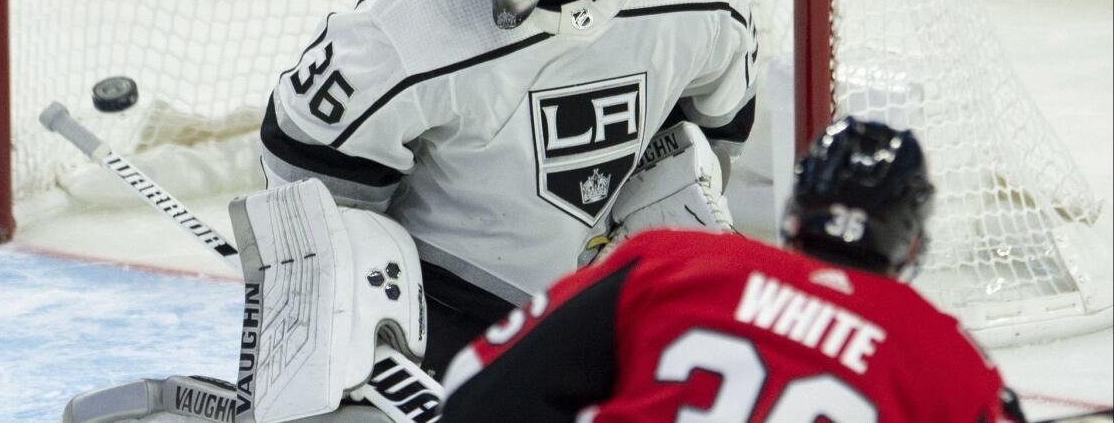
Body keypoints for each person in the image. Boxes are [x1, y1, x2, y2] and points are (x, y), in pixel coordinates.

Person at [259, 0, 758, 377]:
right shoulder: (413, 19)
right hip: (449, 304)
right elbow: (299, 149)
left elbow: (719, 128)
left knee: (688, 193)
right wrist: (340, 294)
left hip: (606, 291)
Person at [438, 117, 1030, 423]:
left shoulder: (675, 260)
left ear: (798, 211)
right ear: (911, 241)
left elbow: (473, 393)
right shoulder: (946, 354)